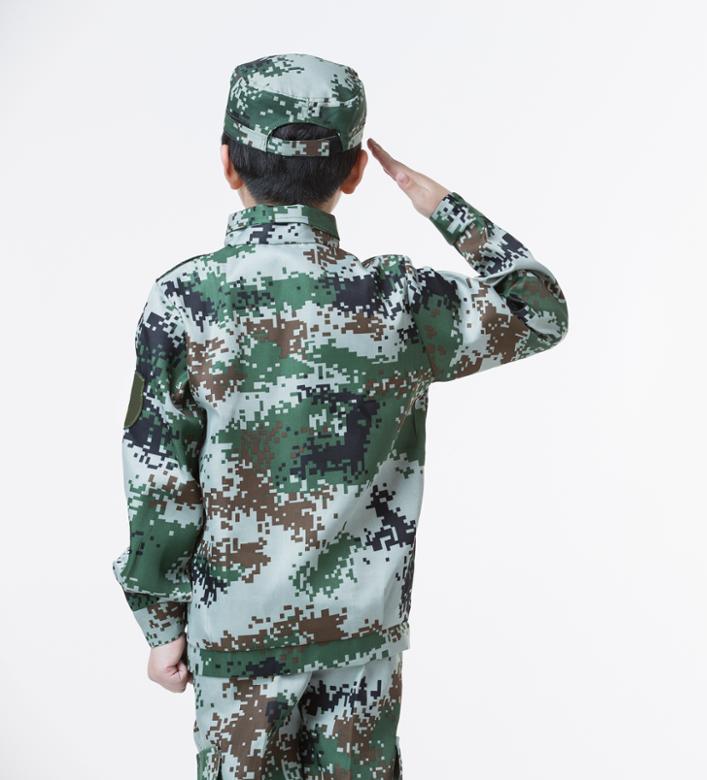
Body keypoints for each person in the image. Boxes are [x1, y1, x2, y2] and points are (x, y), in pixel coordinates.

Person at [110, 52, 569, 779]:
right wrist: (438, 203)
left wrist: (160, 621)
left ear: (228, 162)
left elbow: (159, 473)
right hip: (361, 639)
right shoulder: (401, 299)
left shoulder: (186, 299)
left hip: (236, 638)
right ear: (355, 172)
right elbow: (539, 312)